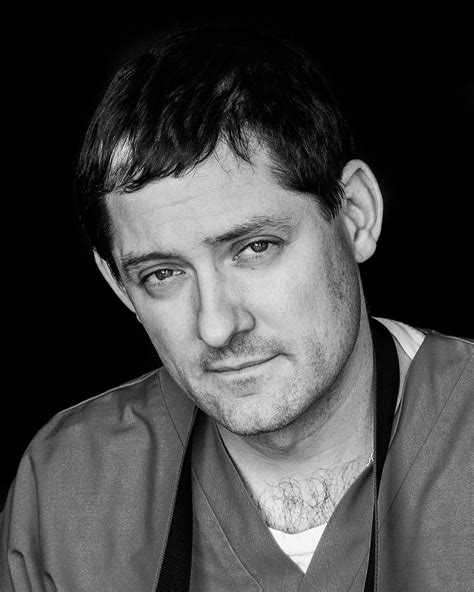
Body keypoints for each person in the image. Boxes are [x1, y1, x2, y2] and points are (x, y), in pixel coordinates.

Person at [1, 23, 472, 592]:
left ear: (355, 215)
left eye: (255, 248)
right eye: (163, 274)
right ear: (119, 286)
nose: (217, 326)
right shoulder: (69, 485)